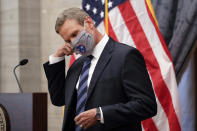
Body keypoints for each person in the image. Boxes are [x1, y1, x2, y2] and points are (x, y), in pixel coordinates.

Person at [43, 7, 157, 131]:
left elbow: (146, 105)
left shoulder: (125, 56)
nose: (73, 42)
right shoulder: (77, 65)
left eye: (75, 34)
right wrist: (57, 59)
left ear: (89, 23)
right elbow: (59, 99)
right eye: (68, 40)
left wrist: (100, 114)